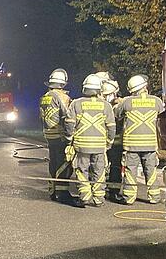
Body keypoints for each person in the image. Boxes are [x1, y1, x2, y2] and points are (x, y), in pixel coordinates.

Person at [64, 74, 116, 208]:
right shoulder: (106, 106)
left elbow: (69, 124)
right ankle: (99, 198)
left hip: (82, 146)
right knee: (99, 171)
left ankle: (85, 196)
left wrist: (69, 140)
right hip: (100, 146)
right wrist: (109, 142)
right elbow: (111, 127)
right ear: (99, 89)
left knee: (81, 170)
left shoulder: (76, 103)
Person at [114, 75, 165, 204]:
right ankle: (154, 197)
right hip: (150, 144)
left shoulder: (126, 102)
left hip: (131, 145)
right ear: (145, 86)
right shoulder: (156, 101)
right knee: (151, 171)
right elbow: (162, 118)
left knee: (131, 171)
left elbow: (117, 115)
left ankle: (129, 198)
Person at [39, 68, 72, 202]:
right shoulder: (62, 97)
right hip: (60, 135)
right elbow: (67, 117)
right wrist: (70, 136)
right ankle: (62, 193)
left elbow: (41, 116)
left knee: (53, 162)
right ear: (63, 83)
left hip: (48, 134)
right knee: (63, 163)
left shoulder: (45, 97)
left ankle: (52, 190)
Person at [100, 77, 124, 198]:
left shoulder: (120, 105)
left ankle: (114, 190)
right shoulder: (104, 105)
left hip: (116, 142)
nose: (105, 97)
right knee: (100, 166)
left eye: (107, 95)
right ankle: (100, 189)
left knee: (115, 165)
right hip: (104, 142)